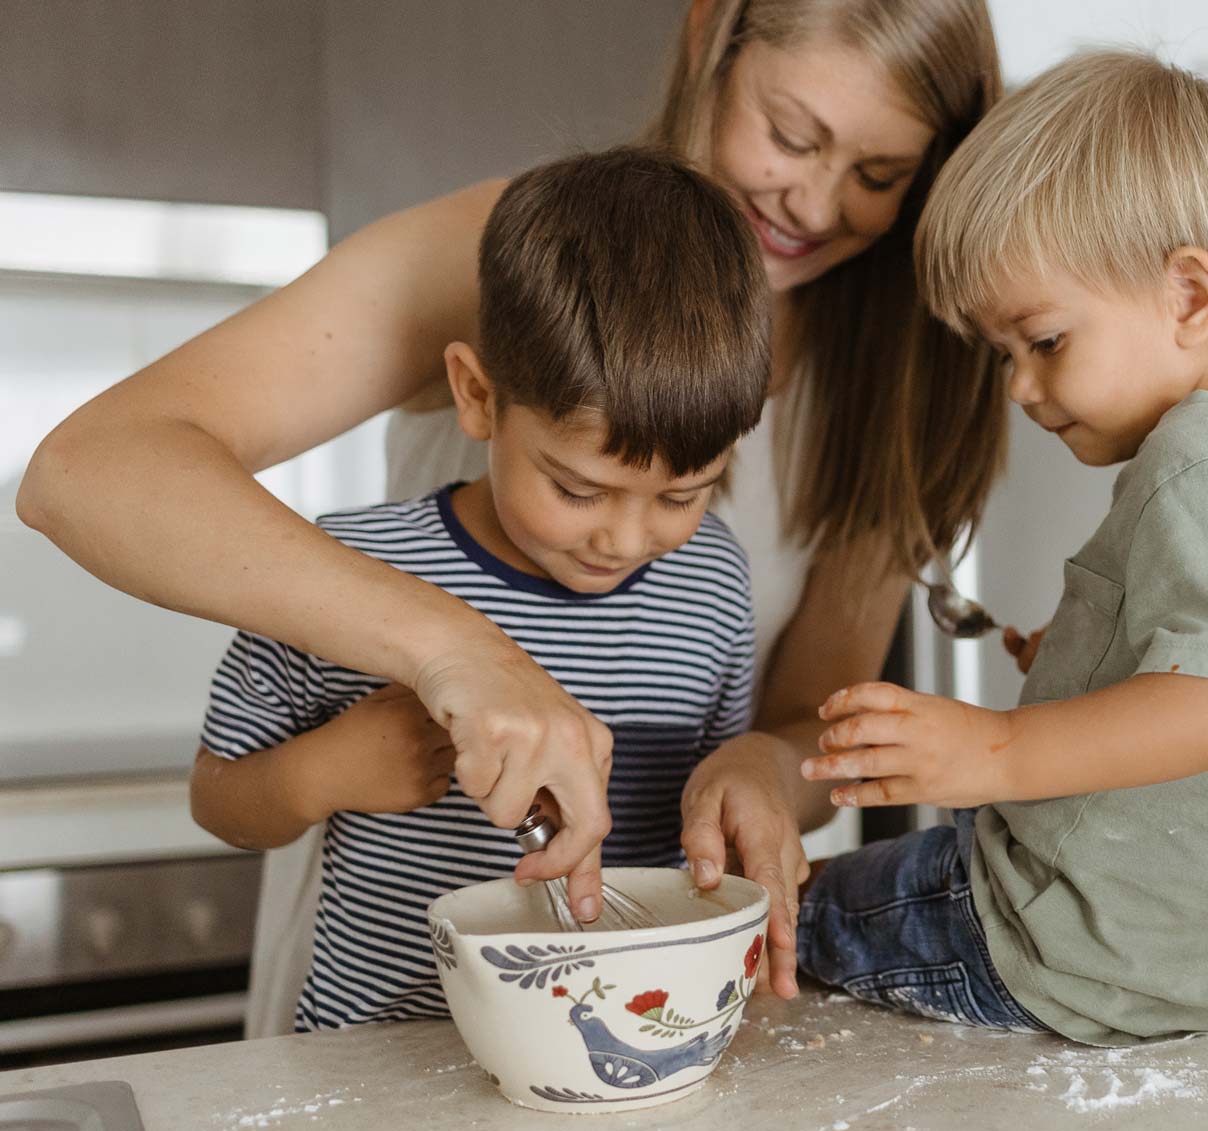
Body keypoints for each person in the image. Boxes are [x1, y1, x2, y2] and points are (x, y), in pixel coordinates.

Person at [15, 0, 1005, 1033]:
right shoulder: (504, 256)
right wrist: (457, 651)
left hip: (647, 986)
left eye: (879, 176)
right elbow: (86, 472)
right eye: (791, 135)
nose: (812, 201)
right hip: (391, 995)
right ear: (709, 38)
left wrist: (767, 766)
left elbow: (810, 711)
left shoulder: (903, 372)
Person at [796, 50, 1208, 1045]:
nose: (1018, 388)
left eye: (1043, 340)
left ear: (1190, 298)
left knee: (795, 912)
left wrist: (996, 748)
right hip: (1186, 966)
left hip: (1049, 941)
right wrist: (1087, 649)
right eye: (1003, 356)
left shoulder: (1199, 456)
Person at [193, 147, 767, 1030]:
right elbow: (220, 802)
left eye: (684, 495)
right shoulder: (342, 575)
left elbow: (711, 810)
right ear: (477, 396)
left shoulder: (713, 581)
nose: (625, 538)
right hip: (373, 1072)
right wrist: (326, 771)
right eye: (578, 489)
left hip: (606, 1051)